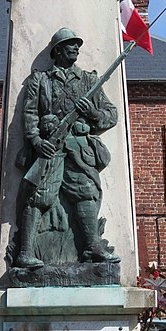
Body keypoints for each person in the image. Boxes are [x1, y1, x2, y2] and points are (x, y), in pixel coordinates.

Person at [15, 27, 120, 269]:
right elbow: (29, 114)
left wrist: (91, 112)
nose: (76, 48)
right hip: (50, 147)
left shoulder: (89, 81)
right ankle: (25, 252)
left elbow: (111, 115)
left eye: (77, 45)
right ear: (58, 50)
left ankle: (92, 247)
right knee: (39, 196)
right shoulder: (40, 80)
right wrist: (37, 141)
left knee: (86, 194)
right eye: (71, 44)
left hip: (78, 148)